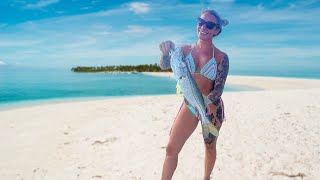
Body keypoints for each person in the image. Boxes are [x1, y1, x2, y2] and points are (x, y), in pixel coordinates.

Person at [159, 9, 229, 180]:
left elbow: (218, 89)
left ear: (216, 30)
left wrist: (207, 105)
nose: (203, 27)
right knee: (171, 149)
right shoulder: (183, 50)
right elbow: (164, 65)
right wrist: (164, 51)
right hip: (190, 105)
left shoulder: (221, 57)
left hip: (212, 107)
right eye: (201, 22)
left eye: (210, 25)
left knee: (209, 148)